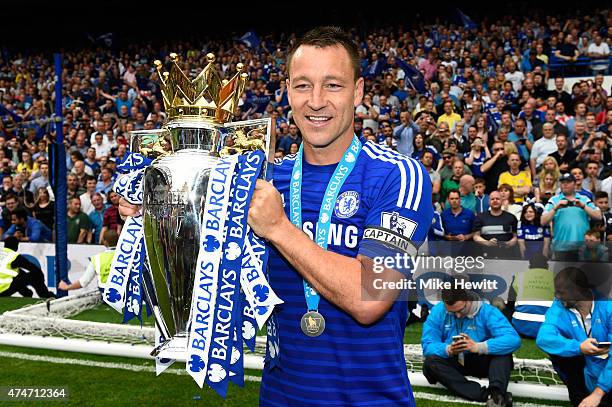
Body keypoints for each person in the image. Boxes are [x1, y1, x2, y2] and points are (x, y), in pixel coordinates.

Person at [121, 26, 434, 406]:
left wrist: (280, 229)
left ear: (359, 91)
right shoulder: (262, 182)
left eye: (333, 85)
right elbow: (217, 280)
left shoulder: (398, 175)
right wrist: (162, 214)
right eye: (303, 86)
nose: (316, 101)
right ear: (287, 91)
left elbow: (370, 299)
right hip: (280, 397)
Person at [421, 283, 520, 406]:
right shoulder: (439, 311)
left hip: (482, 361)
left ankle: (496, 391)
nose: (457, 315)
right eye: (452, 312)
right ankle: (491, 396)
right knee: (430, 363)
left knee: (503, 354)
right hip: (455, 360)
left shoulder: (487, 311)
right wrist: (448, 349)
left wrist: (478, 347)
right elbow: (427, 344)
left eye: (460, 310)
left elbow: (513, 339)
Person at [536, 267, 612, 407]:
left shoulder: (608, 307)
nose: (557, 296)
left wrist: (598, 393)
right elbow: (543, 338)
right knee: (562, 355)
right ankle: (580, 399)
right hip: (581, 372)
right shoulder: (558, 307)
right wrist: (578, 347)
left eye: (561, 292)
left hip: (607, 374)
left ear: (579, 291)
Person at [541, 173, 602, 261]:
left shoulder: (584, 199)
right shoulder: (554, 200)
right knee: (562, 274)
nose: (565, 184)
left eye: (568, 182)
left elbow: (599, 216)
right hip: (561, 246)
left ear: (574, 183)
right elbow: (543, 221)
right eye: (563, 182)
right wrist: (555, 208)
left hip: (583, 247)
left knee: (583, 274)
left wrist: (583, 206)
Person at [507, 253, 554, 338]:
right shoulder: (555, 278)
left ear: (529, 266)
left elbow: (510, 304)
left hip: (519, 328)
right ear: (547, 266)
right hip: (547, 328)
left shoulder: (519, 277)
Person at [473, 190, 519, 259]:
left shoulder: (511, 217)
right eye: (492, 199)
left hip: (507, 256)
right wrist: (488, 243)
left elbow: (515, 237)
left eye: (497, 199)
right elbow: (476, 236)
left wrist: (508, 244)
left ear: (502, 201)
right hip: (486, 255)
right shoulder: (480, 217)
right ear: (489, 202)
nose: (495, 201)